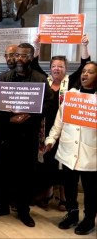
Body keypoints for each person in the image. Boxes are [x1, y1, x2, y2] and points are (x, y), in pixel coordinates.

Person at [0, 43, 53, 227]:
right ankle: (2, 206)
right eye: (17, 55)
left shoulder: (40, 79)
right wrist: (9, 120)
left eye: (24, 56)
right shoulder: (2, 77)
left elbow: (49, 103)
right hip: (5, 134)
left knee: (25, 174)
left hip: (28, 134)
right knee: (2, 171)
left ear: (31, 57)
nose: (19, 59)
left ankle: (24, 211)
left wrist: (31, 114)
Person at [32, 34, 90, 211]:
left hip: (65, 131)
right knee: (47, 163)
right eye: (54, 66)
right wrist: (37, 46)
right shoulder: (44, 81)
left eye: (61, 66)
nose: (57, 69)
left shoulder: (71, 82)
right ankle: (48, 193)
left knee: (63, 165)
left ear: (66, 69)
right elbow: (34, 65)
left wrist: (84, 46)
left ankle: (64, 198)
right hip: (45, 128)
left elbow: (83, 66)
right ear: (50, 68)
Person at [44, 61, 97, 235]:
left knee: (90, 190)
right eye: (84, 71)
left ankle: (89, 219)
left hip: (90, 153)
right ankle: (72, 214)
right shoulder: (71, 95)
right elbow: (59, 121)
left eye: (90, 72)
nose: (85, 74)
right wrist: (51, 139)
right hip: (67, 150)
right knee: (69, 186)